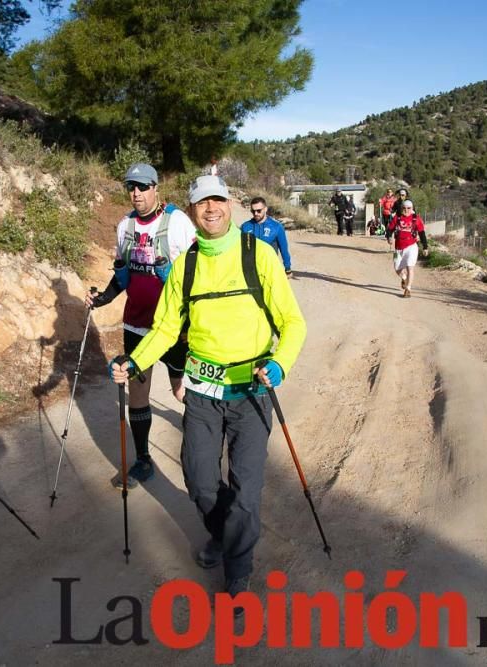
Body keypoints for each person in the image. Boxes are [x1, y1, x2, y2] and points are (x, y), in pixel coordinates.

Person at [108, 174, 306, 609]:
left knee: (246, 488)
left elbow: (293, 324)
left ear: (230, 204)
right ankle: (224, 532)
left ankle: (237, 570)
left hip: (251, 391)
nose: (211, 208)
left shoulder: (260, 255)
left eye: (218, 199)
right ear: (192, 209)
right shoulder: (186, 264)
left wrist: (279, 364)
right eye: (202, 202)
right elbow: (164, 328)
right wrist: (134, 361)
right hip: (200, 391)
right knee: (200, 480)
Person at [85, 162, 196, 488]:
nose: (136, 193)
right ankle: (143, 459)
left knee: (180, 389)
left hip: (173, 328)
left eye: (143, 186)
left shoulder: (177, 222)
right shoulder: (125, 227)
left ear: (156, 188)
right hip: (136, 326)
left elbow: (195, 271)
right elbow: (122, 275)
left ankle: (199, 431)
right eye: (131, 187)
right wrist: (103, 298)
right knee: (138, 393)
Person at [385, 199, 429, 298]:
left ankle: (408, 289)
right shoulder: (397, 218)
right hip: (398, 248)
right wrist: (389, 237)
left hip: (411, 247)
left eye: (408, 208)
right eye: (404, 208)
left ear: (412, 209)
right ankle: (404, 278)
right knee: (397, 268)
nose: (406, 210)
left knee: (410, 267)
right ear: (401, 208)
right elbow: (390, 229)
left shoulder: (416, 219)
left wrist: (425, 247)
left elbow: (422, 233)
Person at [240, 196, 293, 277]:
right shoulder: (245, 227)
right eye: (253, 211)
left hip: (270, 270)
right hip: (251, 271)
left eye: (259, 211)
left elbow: (284, 249)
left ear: (265, 209)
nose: (255, 213)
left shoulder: (277, 227)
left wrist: (288, 268)